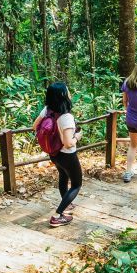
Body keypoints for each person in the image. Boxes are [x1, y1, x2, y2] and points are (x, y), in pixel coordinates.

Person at [32, 82, 81, 227]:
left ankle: (66, 204)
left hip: (54, 153)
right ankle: (58, 215)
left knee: (63, 176)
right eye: (67, 90)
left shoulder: (47, 110)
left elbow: (35, 126)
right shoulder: (66, 117)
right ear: (63, 95)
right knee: (77, 184)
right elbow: (68, 143)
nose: (70, 92)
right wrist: (78, 136)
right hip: (68, 155)